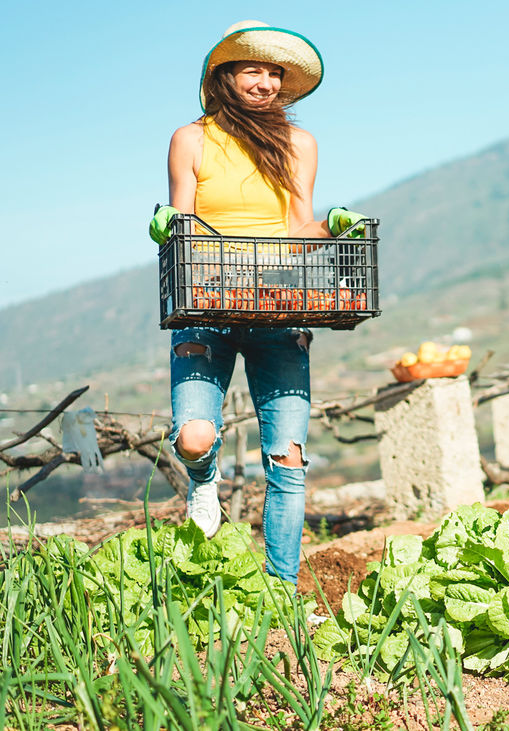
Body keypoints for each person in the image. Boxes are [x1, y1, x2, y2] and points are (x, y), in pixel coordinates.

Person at [149, 21, 368, 586]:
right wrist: (168, 226)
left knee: (287, 460)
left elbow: (297, 229)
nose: (266, 82)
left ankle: (281, 591)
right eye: (253, 69)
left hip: (277, 302)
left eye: (275, 73)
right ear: (225, 75)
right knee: (195, 437)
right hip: (207, 304)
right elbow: (185, 225)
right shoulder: (191, 140)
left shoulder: (298, 144)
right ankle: (204, 480)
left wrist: (333, 225)